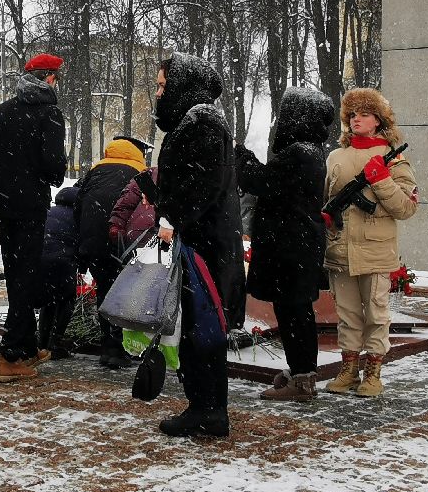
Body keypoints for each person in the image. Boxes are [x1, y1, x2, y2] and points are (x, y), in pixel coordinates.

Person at [133, 53, 243, 438]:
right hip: (205, 246)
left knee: (203, 330)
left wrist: (167, 210)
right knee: (198, 329)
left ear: (182, 85)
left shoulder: (200, 124)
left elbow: (198, 191)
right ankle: (204, 406)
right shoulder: (198, 122)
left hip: (204, 250)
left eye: (164, 85)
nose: (159, 93)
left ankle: (208, 409)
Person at [234, 87, 335, 403]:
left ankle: (302, 379)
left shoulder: (300, 153)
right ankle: (301, 374)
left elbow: (260, 181)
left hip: (291, 248)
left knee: (294, 313)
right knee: (296, 312)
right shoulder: (312, 151)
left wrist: (241, 155)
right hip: (298, 246)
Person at [322, 89, 419, 399]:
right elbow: (326, 199)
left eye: (364, 114)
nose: (356, 119)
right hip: (341, 249)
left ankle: (373, 373)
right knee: (348, 315)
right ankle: (348, 370)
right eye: (352, 114)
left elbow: (405, 207)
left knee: (376, 315)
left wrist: (381, 180)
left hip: (376, 250)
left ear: (379, 121)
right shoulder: (336, 157)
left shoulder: (393, 156)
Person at [0, 53, 68, 382]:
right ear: (48, 79)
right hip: (31, 205)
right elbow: (52, 164)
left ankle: (27, 346)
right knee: (25, 279)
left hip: (6, 205)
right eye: (56, 78)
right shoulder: (49, 114)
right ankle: (10, 355)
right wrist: (48, 174)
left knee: (17, 273)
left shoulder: (5, 111)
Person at [74, 137, 148, 369]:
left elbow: (78, 203)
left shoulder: (96, 170)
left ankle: (109, 346)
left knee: (105, 289)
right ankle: (121, 348)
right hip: (121, 240)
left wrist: (84, 241)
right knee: (124, 293)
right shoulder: (139, 173)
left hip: (93, 239)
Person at [36, 185, 82, 359]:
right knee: (66, 301)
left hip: (40, 259)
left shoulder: (49, 212)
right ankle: (55, 344)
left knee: (48, 301)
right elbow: (81, 244)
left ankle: (42, 342)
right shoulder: (78, 216)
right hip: (63, 262)